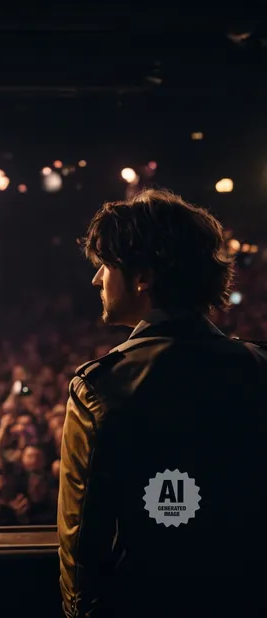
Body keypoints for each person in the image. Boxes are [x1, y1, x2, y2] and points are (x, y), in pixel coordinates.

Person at [58, 189, 267, 618]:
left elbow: (82, 542)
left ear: (143, 277)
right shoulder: (259, 366)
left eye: (105, 265)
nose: (97, 279)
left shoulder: (103, 387)